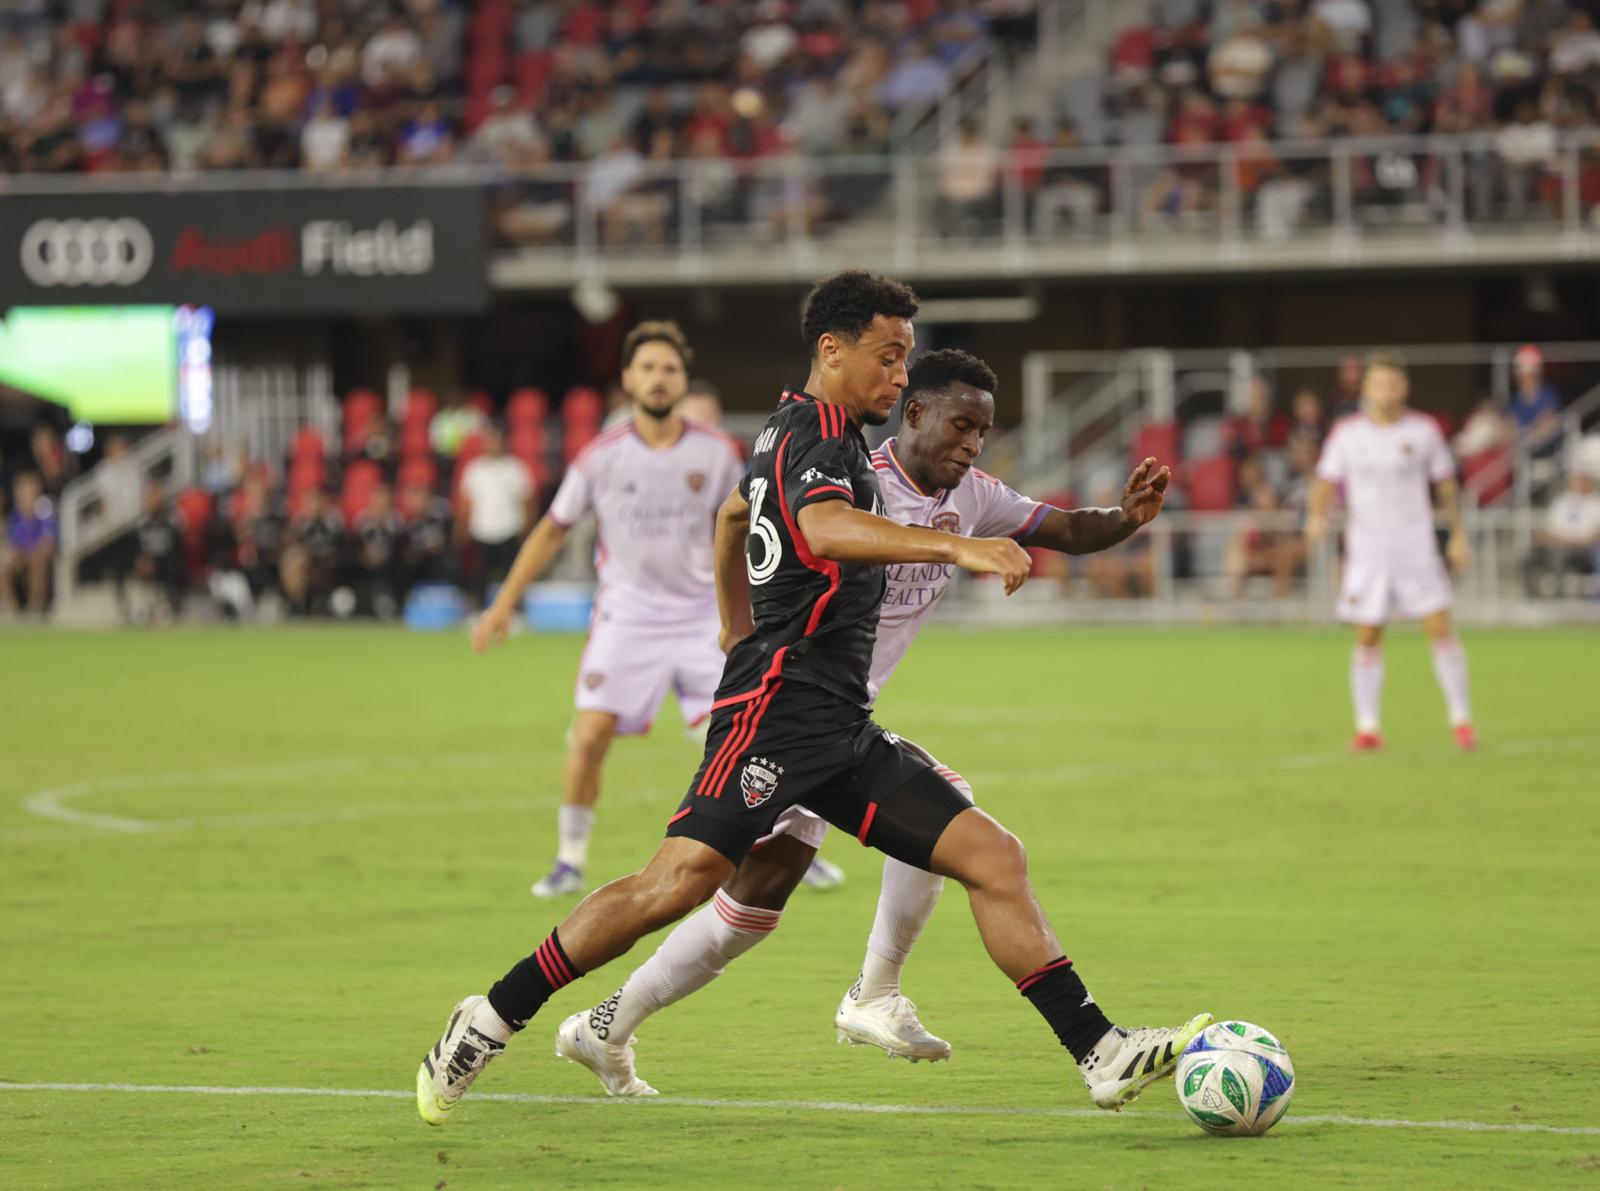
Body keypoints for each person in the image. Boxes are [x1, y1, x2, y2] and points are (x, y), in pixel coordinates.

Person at [418, 270, 1210, 1126]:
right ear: (832, 351)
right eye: (888, 357)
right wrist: (959, 553)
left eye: (905, 358)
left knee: (991, 854)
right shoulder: (821, 438)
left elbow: (730, 521)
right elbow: (822, 529)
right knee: (674, 884)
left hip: (838, 722)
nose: (899, 375)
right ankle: (490, 1017)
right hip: (775, 711)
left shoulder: (804, 433)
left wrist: (730, 624)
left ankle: (1099, 1049)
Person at [554, 348, 1178, 1093]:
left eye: (983, 430)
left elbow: (1066, 529)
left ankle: (605, 1026)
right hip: (790, 712)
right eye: (961, 424)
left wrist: (1125, 518)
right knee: (944, 815)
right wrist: (735, 628)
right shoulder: (851, 481)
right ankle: (883, 994)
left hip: (839, 722)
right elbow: (734, 514)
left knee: (746, 910)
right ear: (914, 412)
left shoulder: (973, 495)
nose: (973, 442)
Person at [470, 322, 746, 899]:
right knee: (591, 733)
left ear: (683, 380)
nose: (658, 378)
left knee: (743, 736)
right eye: (647, 367)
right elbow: (552, 530)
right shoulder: (601, 456)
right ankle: (569, 857)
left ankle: (775, 847)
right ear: (626, 379)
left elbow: (745, 532)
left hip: (703, 617)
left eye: (669, 368)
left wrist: (746, 614)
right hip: (628, 618)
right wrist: (503, 604)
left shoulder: (718, 453)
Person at [1305, 349, 1478, 752]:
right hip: (1367, 550)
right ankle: (1367, 727)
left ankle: (1462, 720)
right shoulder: (1347, 434)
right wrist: (1316, 516)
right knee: (1367, 634)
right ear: (1367, 387)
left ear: (1405, 387)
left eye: (1393, 384)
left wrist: (1457, 534)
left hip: (1415, 546)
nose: (1386, 392)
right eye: (1378, 383)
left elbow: (1446, 484)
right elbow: (1324, 482)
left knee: (1438, 627)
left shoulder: (1423, 430)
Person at [457, 423, 534, 610]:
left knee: (512, 576)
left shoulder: (516, 468)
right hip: (482, 530)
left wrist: (526, 528)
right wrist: (462, 527)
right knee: (479, 576)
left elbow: (527, 501)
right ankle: (479, 611)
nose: (492, 445)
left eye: (496, 441)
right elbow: (467, 502)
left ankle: (514, 612)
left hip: (509, 529)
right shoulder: (475, 469)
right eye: (489, 441)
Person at [1523, 471, 1600, 596]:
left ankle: (1558, 596)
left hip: (1584, 549)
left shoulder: (1596, 503)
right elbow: (1549, 529)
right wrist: (1557, 540)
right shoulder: (1563, 502)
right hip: (1558, 544)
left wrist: (1577, 541)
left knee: (1560, 556)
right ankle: (1531, 596)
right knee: (1529, 557)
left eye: (1583, 480)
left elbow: (1596, 532)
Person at [119, 480, 185, 624]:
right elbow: (135, 549)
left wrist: (157, 563)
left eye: (155, 496)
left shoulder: (171, 519)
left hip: (166, 568)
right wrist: (143, 561)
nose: (152, 500)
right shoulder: (141, 522)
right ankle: (140, 612)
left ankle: (168, 608)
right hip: (145, 568)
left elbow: (176, 550)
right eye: (149, 497)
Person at [1, 471, 56, 616]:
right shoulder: (16, 514)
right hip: (22, 554)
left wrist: (35, 551)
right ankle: (9, 607)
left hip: (39, 554)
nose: (23, 493)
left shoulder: (44, 509)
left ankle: (36, 607)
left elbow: (49, 539)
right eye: (20, 489)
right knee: (4, 567)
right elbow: (11, 540)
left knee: (38, 562)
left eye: (27, 488)